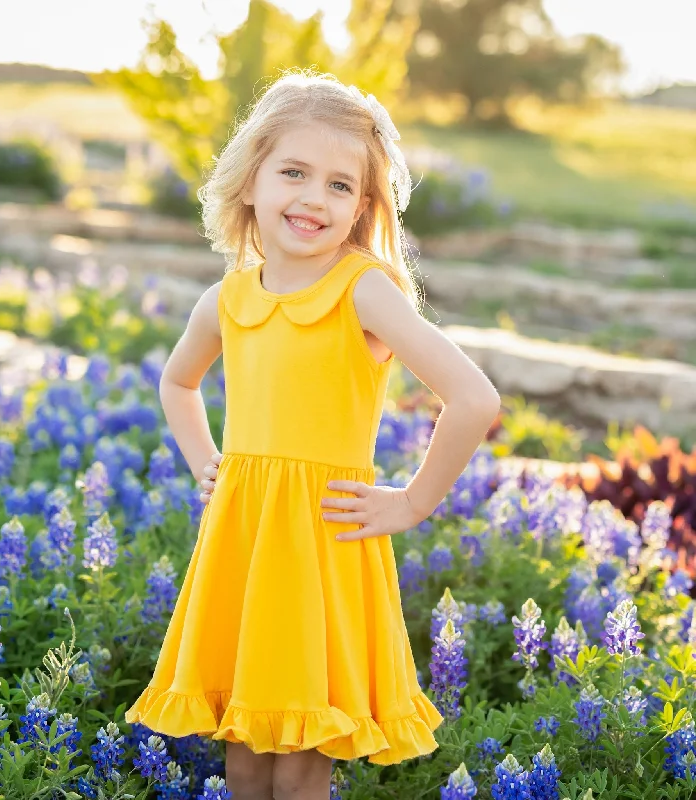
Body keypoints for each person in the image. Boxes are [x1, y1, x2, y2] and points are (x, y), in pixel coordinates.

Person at [125, 69, 501, 800]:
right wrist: (209, 464)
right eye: (293, 172)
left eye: (339, 185)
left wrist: (412, 503)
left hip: (321, 544)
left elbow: (473, 397)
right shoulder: (228, 298)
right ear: (249, 181)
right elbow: (177, 382)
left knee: (300, 755)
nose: (312, 198)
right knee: (244, 745)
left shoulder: (362, 289)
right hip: (245, 537)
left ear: (364, 205)